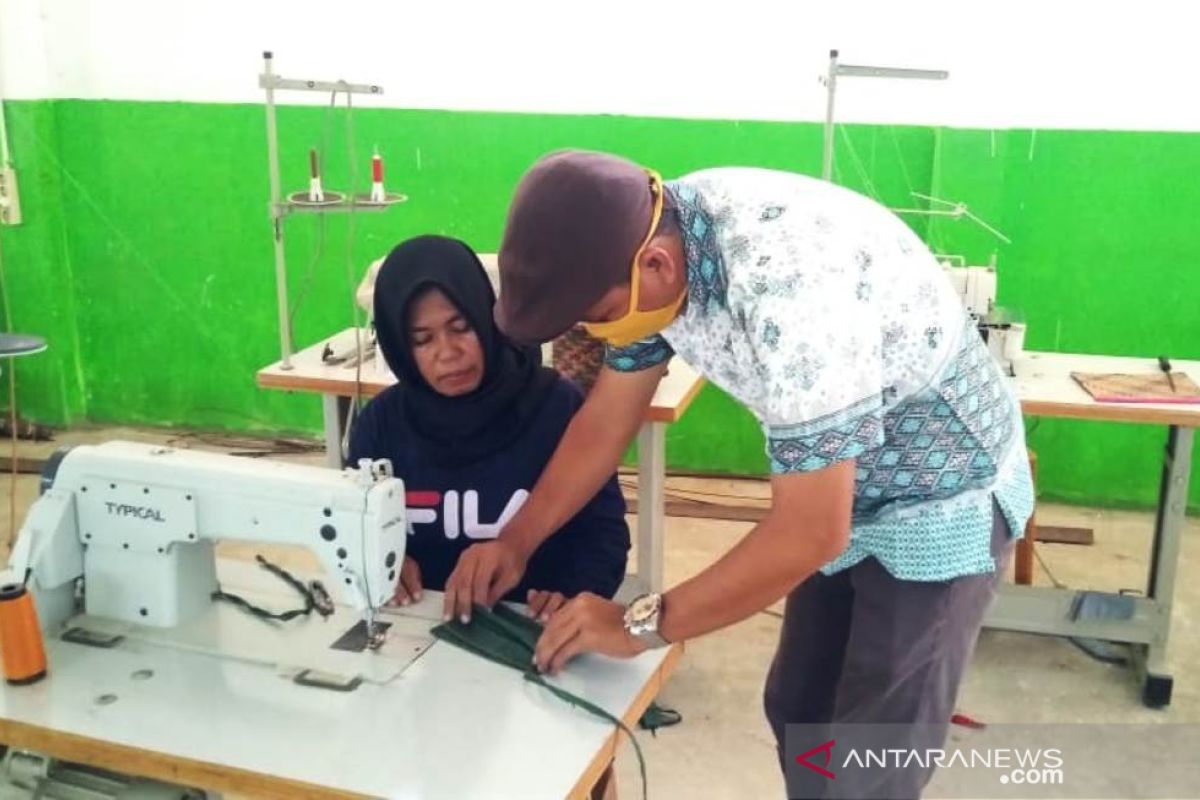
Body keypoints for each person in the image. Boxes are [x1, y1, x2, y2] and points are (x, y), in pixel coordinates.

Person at [441, 151, 1034, 797]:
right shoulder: (649, 241)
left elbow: (810, 532)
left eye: (595, 314)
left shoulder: (792, 292)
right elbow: (606, 420)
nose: (593, 330)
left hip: (939, 498)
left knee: (872, 751)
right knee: (800, 706)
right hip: (848, 488)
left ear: (657, 267)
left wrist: (639, 624)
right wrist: (517, 540)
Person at [348, 234, 630, 618]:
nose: (448, 353)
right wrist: (380, 561)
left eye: (461, 327)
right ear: (399, 346)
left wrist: (574, 593)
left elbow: (603, 534)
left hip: (531, 623)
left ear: (486, 316)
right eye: (422, 339)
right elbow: (353, 524)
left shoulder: (556, 408)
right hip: (420, 621)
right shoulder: (380, 425)